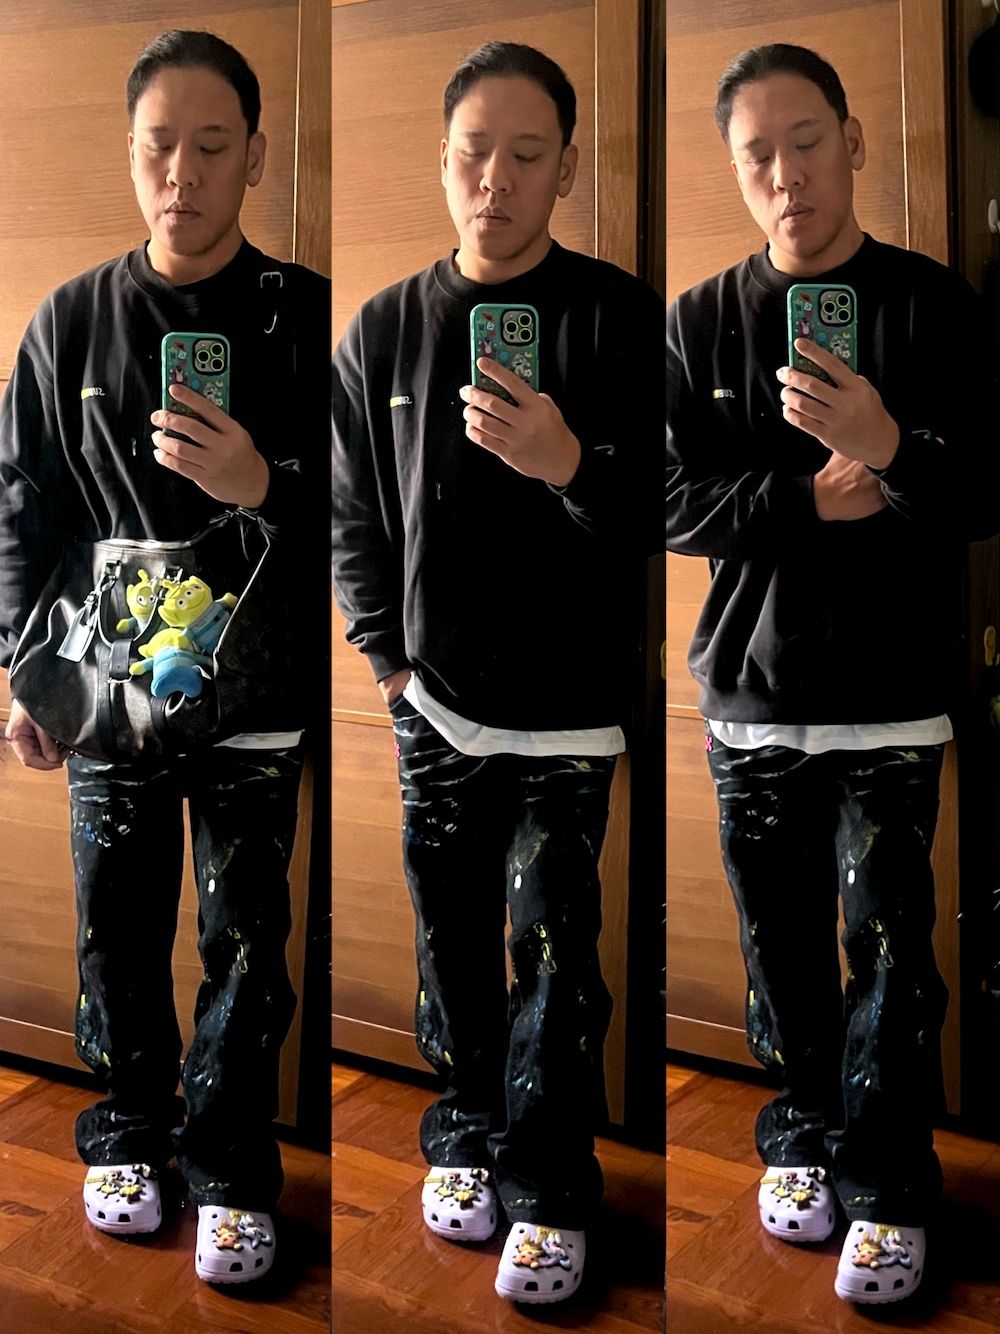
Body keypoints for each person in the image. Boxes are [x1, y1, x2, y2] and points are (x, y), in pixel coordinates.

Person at [665, 43, 998, 1306]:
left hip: (894, 697)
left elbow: (984, 493)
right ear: (735, 170)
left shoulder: (931, 303)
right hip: (750, 698)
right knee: (780, 947)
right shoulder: (697, 319)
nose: (786, 175)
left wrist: (889, 444)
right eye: (756, 154)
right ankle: (801, 1132)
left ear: (852, 142)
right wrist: (803, 498)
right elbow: (664, 499)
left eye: (806, 142)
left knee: (893, 952)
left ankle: (891, 1178)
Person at [331, 41, 663, 1307]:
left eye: (527, 155)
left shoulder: (620, 317)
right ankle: (465, 1129)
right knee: (451, 936)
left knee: (557, 950)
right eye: (474, 152)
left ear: (566, 169)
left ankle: (551, 1180)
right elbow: (352, 514)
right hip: (433, 705)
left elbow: (659, 508)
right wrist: (383, 661)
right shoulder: (380, 329)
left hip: (571, 714)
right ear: (442, 160)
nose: (496, 180)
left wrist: (567, 460)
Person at [0, 30, 329, 1285]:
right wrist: (21, 675)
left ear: (255, 156)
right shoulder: (71, 317)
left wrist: (262, 481)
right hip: (107, 697)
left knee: (246, 936)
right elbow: (22, 511)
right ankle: (128, 1130)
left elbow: (368, 507)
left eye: (211, 145)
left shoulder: (305, 314)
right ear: (129, 154)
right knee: (117, 927)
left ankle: (233, 1162)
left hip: (258, 696)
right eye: (158, 146)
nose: (181, 172)